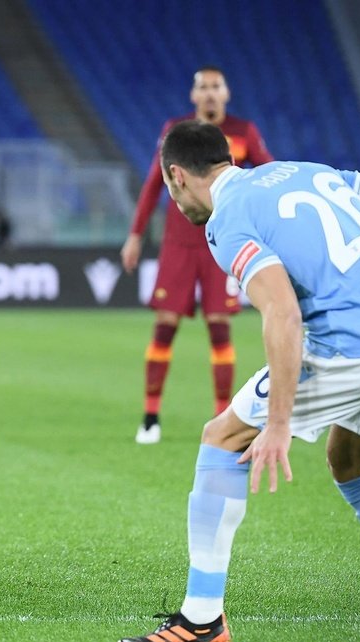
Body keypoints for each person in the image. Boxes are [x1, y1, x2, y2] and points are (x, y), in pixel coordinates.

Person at [118, 121, 360, 642]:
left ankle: (201, 621)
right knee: (349, 462)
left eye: (170, 192)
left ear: (176, 177)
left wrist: (279, 424)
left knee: (222, 438)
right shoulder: (302, 172)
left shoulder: (229, 220)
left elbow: (283, 313)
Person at [121, 66, 273, 444]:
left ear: (226, 94)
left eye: (215, 87)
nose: (208, 94)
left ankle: (223, 416)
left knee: (220, 328)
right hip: (178, 243)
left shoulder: (243, 133)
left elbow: (268, 175)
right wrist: (135, 235)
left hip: (222, 241)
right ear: (194, 96)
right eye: (202, 87)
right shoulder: (176, 131)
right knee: (165, 327)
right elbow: (155, 183)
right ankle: (150, 417)